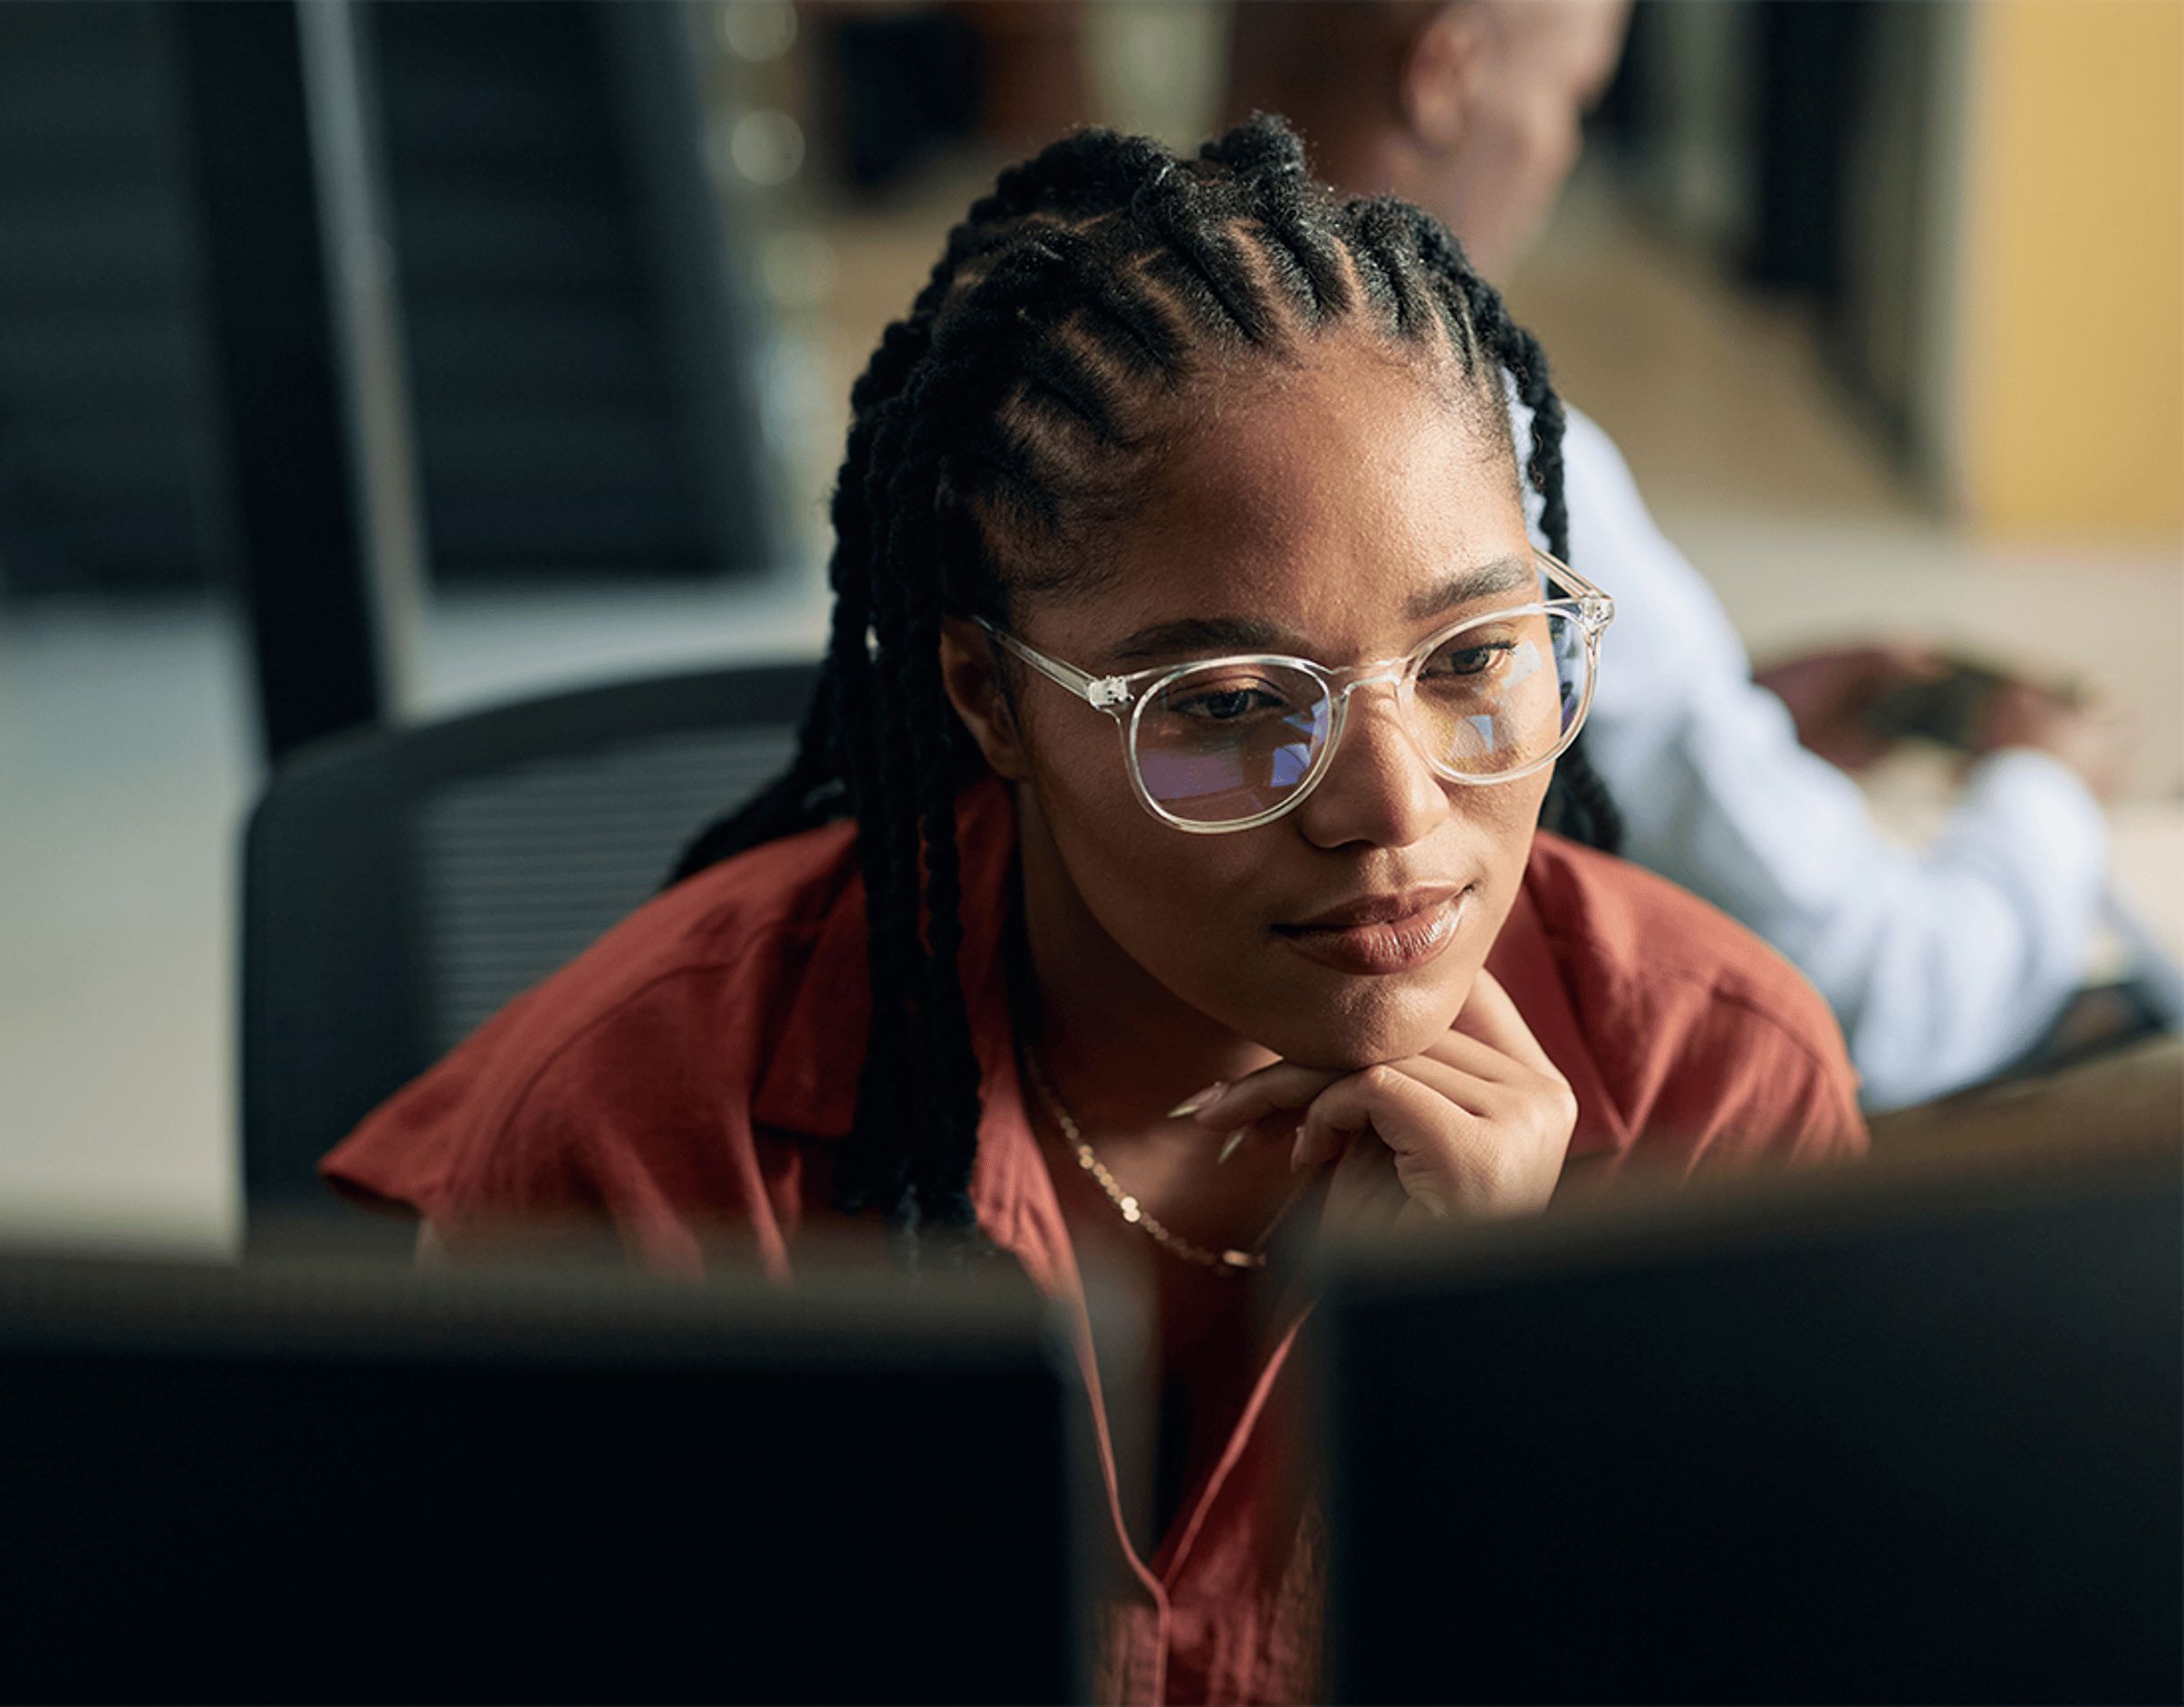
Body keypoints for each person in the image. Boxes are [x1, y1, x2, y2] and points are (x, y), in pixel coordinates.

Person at [322, 120, 1866, 1703]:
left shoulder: (1715, 1092)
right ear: (991, 699)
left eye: (1474, 657)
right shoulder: (649, 1141)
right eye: (1235, 701)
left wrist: (1486, 1358)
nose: (1393, 808)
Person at [1225, 0, 2113, 1109]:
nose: (1558, 152)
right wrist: (2044, 792)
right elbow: (1875, 992)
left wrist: (1728, 716)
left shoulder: (1083, 368)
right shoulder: (1474, 449)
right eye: (1570, 98)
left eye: (1472, 662)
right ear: (1446, 73)